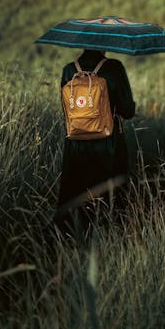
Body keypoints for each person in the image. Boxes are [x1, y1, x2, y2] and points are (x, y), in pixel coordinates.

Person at [55, 49, 135, 232]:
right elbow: (127, 110)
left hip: (75, 142)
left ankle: (70, 236)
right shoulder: (114, 68)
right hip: (108, 142)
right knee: (110, 194)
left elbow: (67, 109)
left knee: (76, 192)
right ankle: (109, 235)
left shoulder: (69, 70)